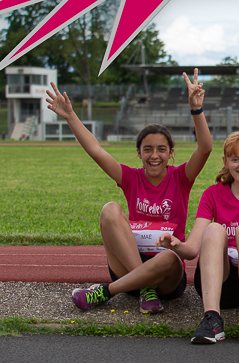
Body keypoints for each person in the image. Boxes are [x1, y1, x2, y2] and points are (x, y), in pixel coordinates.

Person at [49, 72, 212, 314]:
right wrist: (70, 116)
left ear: (171, 153)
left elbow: (205, 148)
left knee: (169, 257)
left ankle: (107, 291)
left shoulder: (181, 178)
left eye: (161, 149)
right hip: (129, 264)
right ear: (138, 153)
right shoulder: (130, 178)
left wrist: (196, 109)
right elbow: (96, 150)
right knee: (110, 209)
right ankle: (146, 288)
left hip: (166, 274)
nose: (154, 155)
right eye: (147, 149)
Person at [155, 132, 239, 345]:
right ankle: (211, 318)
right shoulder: (212, 194)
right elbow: (192, 250)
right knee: (213, 229)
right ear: (225, 162)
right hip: (221, 285)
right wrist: (176, 245)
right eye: (235, 159)